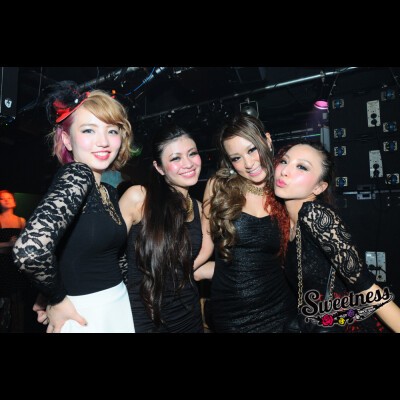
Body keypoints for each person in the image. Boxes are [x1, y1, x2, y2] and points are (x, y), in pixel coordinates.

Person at [12, 81, 135, 333]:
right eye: (89, 130)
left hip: (117, 304)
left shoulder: (108, 191)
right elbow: (29, 251)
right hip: (86, 314)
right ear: (67, 140)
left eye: (112, 131)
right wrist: (56, 297)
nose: (103, 141)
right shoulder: (78, 174)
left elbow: (108, 256)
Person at [274, 141, 400, 332]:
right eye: (284, 161)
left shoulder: (316, 215)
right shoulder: (286, 222)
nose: (284, 171)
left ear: (319, 187)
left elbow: (366, 286)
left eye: (302, 167)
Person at [194, 113, 294, 332]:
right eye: (236, 158)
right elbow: (205, 248)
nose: (248, 164)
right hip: (230, 314)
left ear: (267, 140)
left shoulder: (285, 188)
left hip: (278, 309)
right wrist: (175, 273)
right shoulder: (219, 186)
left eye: (252, 149)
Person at [119, 124, 205, 332]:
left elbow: (188, 266)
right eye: (175, 158)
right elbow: (102, 253)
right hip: (146, 319)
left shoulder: (200, 208)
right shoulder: (139, 197)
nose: (188, 163)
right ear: (159, 168)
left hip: (190, 318)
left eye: (192, 153)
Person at [0, 190, 28, 332]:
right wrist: (9, 244)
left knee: (18, 300)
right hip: (1, 264)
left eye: (9, 197)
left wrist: (18, 243)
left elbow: (27, 244)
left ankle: (19, 328)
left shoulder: (21, 221)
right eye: (2, 198)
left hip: (16, 264)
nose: (6, 200)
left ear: (14, 201)